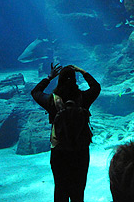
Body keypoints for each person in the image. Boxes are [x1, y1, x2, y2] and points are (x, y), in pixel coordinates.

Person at [31, 63, 101, 202]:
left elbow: (35, 92)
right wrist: (83, 71)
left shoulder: (52, 100)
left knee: (61, 189)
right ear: (75, 80)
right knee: (78, 190)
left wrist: (49, 77)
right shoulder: (83, 98)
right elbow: (96, 87)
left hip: (59, 151)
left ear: (59, 80)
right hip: (81, 151)